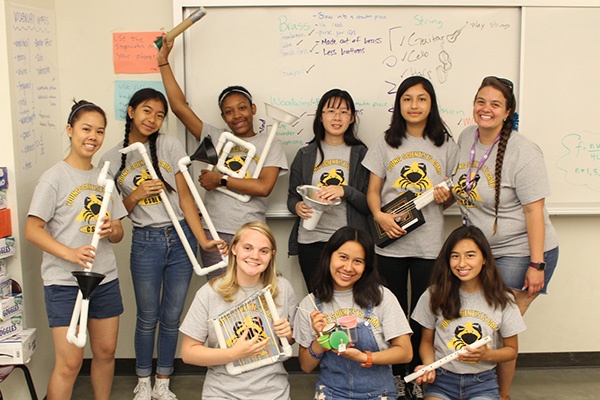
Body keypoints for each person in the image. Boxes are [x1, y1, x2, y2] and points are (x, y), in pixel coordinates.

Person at [100, 88, 225, 400]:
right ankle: (143, 380)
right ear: (130, 112)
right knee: (147, 315)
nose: (152, 119)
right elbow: (116, 213)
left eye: (159, 115)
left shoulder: (169, 145)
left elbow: (185, 199)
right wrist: (136, 195)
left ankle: (163, 382)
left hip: (180, 237)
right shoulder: (111, 158)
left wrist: (202, 241)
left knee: (172, 316)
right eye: (146, 111)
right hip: (145, 240)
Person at [451, 76, 559, 399]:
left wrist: (536, 264)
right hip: (483, 252)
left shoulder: (523, 152)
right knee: (480, 322)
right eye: (481, 101)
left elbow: (534, 212)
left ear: (508, 111)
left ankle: (501, 394)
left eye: (495, 104)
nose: (486, 109)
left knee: (497, 330)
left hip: (523, 252)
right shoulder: (467, 136)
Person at [157, 34, 288, 279]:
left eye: (242, 108)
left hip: (252, 233)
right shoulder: (215, 138)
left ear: (253, 110)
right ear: (223, 117)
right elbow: (179, 108)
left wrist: (221, 180)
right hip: (214, 231)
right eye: (229, 112)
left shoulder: (270, 143)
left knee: (251, 300)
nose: (236, 115)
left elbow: (264, 187)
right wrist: (163, 61)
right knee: (219, 299)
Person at [361, 75, 458, 397]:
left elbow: (455, 192)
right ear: (398, 104)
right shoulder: (385, 142)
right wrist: (379, 215)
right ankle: (395, 377)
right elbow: (372, 191)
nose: (414, 105)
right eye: (407, 99)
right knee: (392, 314)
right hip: (390, 244)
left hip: (429, 246)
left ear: (431, 104)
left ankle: (419, 377)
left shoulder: (446, 144)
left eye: (421, 99)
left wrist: (449, 197)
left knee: (423, 316)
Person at [25, 101, 127, 400]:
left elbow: (119, 232)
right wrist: (70, 254)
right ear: (70, 130)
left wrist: (113, 229)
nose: (92, 137)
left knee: (106, 353)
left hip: (105, 279)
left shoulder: (105, 179)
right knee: (69, 363)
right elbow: (32, 229)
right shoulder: (53, 178)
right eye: (86, 129)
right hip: (64, 283)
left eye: (99, 131)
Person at [179, 221, 297, 399]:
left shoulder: (283, 288)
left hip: (273, 391)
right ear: (234, 248)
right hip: (222, 392)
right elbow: (188, 353)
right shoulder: (209, 293)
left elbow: (290, 340)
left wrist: (287, 334)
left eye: (263, 251)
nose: (255, 256)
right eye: (247, 248)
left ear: (272, 254)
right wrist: (232, 354)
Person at [294, 226, 413, 400]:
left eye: (358, 261)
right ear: (329, 257)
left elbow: (405, 352)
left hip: (379, 393)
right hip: (332, 392)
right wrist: (322, 340)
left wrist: (365, 357)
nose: (348, 267)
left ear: (366, 266)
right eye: (343, 257)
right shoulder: (310, 304)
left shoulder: (382, 297)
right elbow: (306, 366)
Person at [411, 225, 526, 400]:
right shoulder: (433, 294)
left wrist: (487, 354)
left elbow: (511, 351)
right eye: (455, 256)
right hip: (442, 381)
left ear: (485, 258)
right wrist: (429, 365)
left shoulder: (503, 298)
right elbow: (426, 342)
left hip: (483, 383)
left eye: (470, 255)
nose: (462, 263)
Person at [287, 88, 370, 292]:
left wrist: (345, 191)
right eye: (331, 111)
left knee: (350, 302)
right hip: (311, 240)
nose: (337, 117)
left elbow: (369, 204)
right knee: (319, 301)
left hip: (348, 243)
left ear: (352, 118)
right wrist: (297, 206)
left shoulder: (361, 154)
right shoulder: (305, 154)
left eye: (344, 112)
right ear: (320, 116)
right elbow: (291, 197)